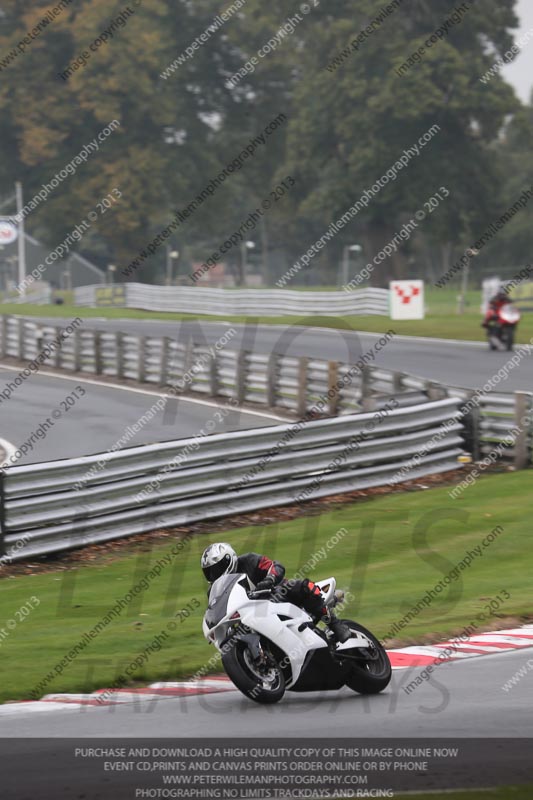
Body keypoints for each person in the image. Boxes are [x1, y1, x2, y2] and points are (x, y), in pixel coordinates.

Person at [200, 542, 352, 643]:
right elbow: (217, 610)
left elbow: (275, 566)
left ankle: (335, 624)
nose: (215, 575)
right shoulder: (215, 590)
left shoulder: (248, 560)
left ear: (229, 559)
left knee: (303, 586)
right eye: (210, 573)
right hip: (252, 616)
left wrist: (270, 579)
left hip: (277, 595)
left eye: (217, 569)